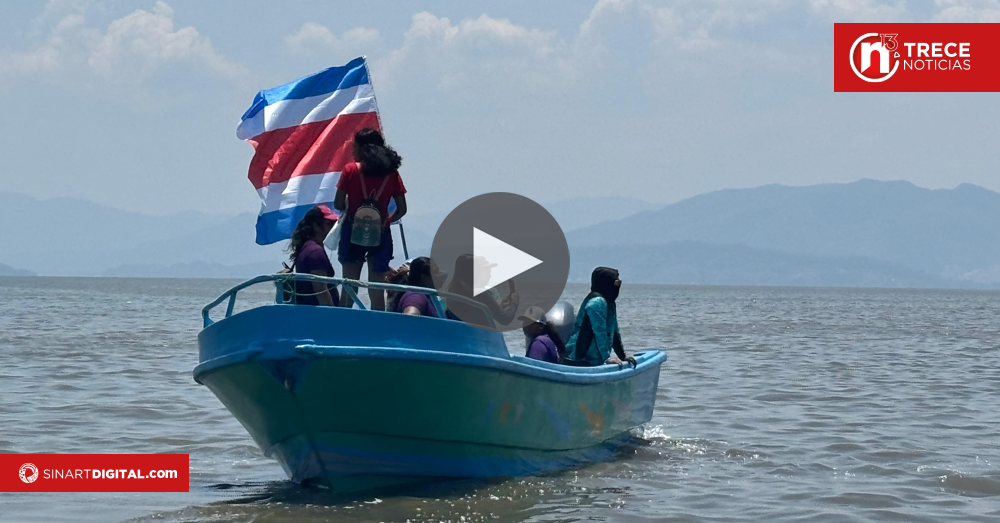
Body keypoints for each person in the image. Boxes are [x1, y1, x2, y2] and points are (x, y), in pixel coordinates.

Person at [333, 128, 407, 310]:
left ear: (362, 149)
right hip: (380, 234)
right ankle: (377, 331)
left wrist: (352, 208)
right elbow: (402, 209)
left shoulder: (350, 170)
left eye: (354, 146)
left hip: (353, 231)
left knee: (349, 287)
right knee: (377, 290)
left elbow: (338, 203)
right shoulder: (392, 173)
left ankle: (342, 327)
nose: (352, 150)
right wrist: (386, 221)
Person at [564, 267, 636, 368]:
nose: (618, 286)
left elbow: (614, 331)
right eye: (616, 283)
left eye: (619, 283)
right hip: (579, 359)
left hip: (595, 360)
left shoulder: (610, 303)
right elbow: (599, 332)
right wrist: (606, 358)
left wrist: (622, 356)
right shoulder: (597, 302)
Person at [445, 253, 519, 327]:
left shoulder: (451, 292)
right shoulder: (479, 294)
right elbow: (505, 319)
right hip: (482, 336)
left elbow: (474, 315)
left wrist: (501, 306)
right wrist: (514, 301)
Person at [286, 205, 340, 306]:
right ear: (316, 227)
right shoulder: (315, 252)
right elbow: (321, 291)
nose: (333, 227)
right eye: (329, 223)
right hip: (318, 316)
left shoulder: (308, 247)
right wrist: (332, 317)